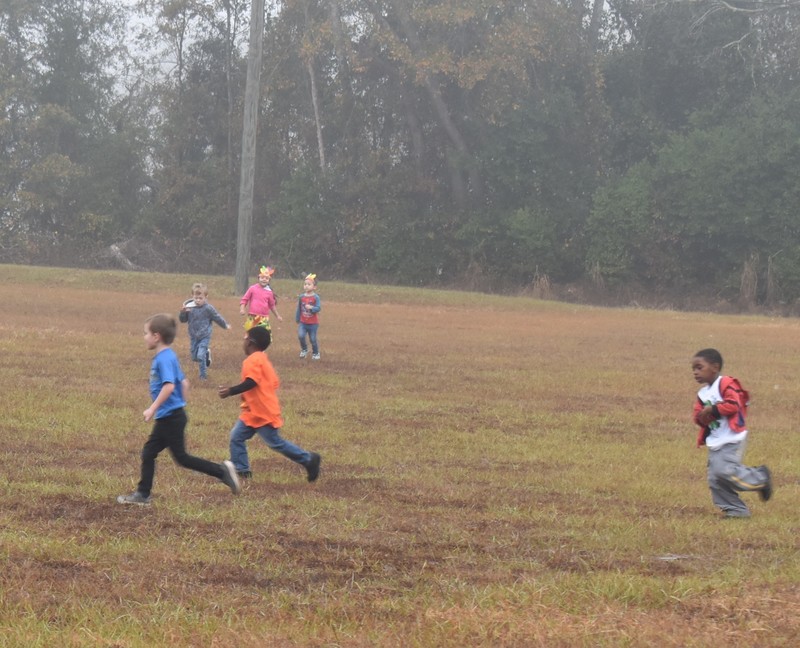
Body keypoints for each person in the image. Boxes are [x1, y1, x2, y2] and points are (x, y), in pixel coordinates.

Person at [117, 313, 241, 505]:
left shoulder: (163, 359)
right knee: (150, 452)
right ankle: (142, 493)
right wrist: (179, 404)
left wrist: (152, 408)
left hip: (170, 418)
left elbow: (169, 386)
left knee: (181, 458)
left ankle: (221, 471)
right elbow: (184, 383)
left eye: (146, 333)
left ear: (156, 336)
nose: (144, 337)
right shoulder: (169, 355)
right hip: (173, 415)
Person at [217, 326, 321, 482]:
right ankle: (241, 469)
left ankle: (308, 459)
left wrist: (231, 391)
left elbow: (251, 382)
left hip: (262, 412)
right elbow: (273, 383)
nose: (243, 342)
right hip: (252, 411)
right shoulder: (263, 359)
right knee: (236, 436)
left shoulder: (253, 360)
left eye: (245, 339)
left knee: (275, 443)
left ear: (250, 342)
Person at [691, 348, 772, 518]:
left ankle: (760, 478)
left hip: (731, 439)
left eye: (699, 367)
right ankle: (736, 510)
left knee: (724, 471)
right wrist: (702, 417)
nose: (695, 372)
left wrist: (712, 409)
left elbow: (734, 404)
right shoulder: (702, 393)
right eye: (694, 369)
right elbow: (698, 417)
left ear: (715, 366)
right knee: (715, 480)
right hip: (716, 441)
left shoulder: (726, 383)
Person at [179, 282, 231, 380]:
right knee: (194, 357)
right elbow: (183, 320)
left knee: (200, 356)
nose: (198, 300)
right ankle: (207, 353)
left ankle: (203, 376)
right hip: (194, 336)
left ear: (206, 297)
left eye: (200, 298)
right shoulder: (189, 307)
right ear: (192, 296)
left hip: (205, 336)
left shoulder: (208, 308)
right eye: (196, 298)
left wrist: (225, 325)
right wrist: (182, 313)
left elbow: (217, 317)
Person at [239, 265, 282, 332]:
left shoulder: (269, 292)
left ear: (269, 280)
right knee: (249, 334)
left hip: (264, 318)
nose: (264, 279)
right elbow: (244, 299)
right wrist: (242, 309)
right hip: (252, 317)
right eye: (262, 277)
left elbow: (272, 306)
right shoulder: (252, 288)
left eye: (266, 278)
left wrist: (277, 316)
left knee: (265, 336)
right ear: (258, 278)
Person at [296, 273, 322, 360]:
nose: (306, 286)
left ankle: (316, 353)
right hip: (303, 322)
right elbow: (299, 308)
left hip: (313, 323)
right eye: (305, 284)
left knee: (313, 339)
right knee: (301, 336)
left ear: (314, 287)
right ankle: (304, 349)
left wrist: (312, 308)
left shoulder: (316, 297)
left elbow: (318, 308)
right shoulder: (301, 297)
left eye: (309, 284)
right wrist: (297, 318)